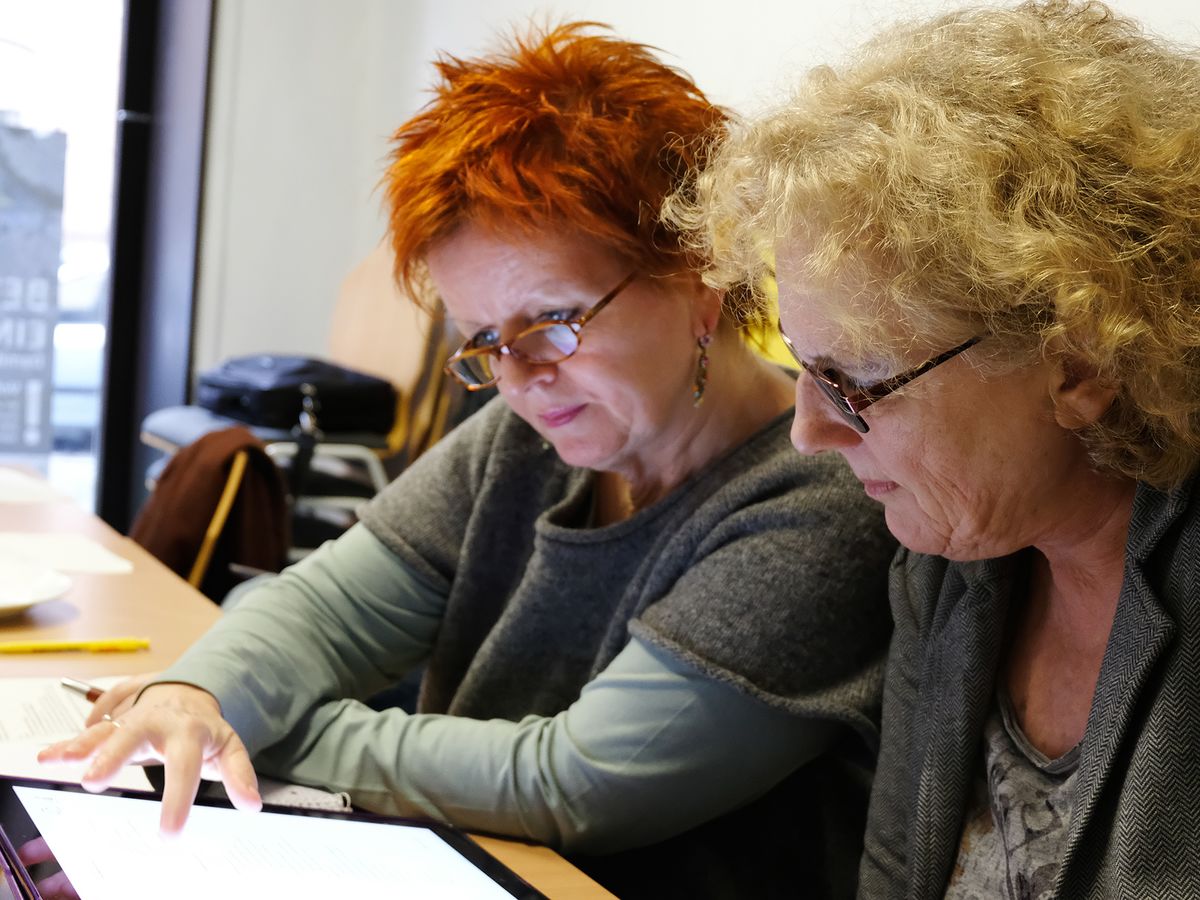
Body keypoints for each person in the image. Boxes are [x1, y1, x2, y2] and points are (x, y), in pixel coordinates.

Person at [42, 23, 896, 899]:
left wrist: (249, 728)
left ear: (697, 275)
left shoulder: (820, 497)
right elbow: (328, 608)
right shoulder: (531, 436)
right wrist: (197, 698)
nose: (518, 377)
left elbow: (575, 783)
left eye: (554, 321)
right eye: (484, 339)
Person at [671, 1, 1200, 896]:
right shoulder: (950, 569)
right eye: (802, 363)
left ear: (1080, 362)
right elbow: (894, 877)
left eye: (853, 381)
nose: (808, 431)